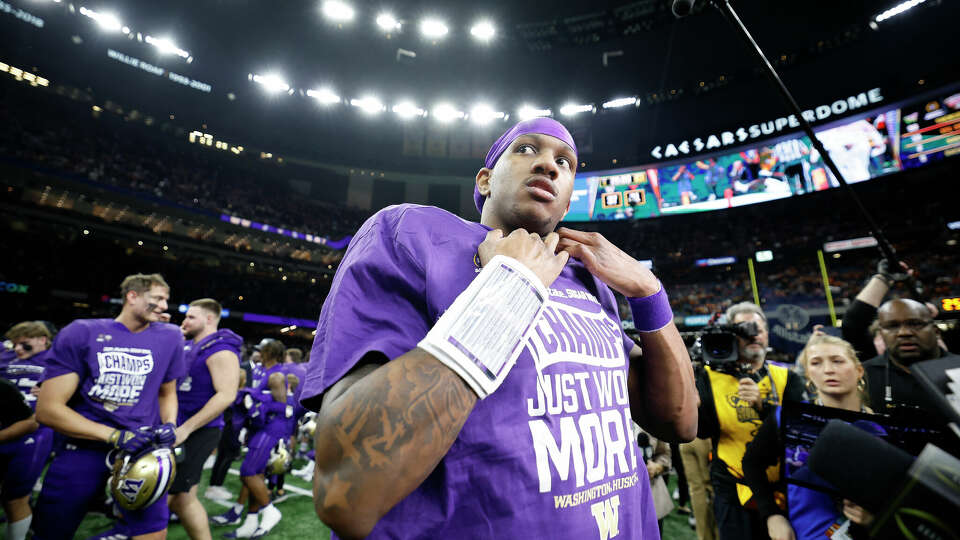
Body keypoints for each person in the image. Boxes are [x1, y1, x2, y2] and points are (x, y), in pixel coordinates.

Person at [301, 117, 698, 539]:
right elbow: (347, 490)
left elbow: (679, 422)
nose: (549, 165)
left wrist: (650, 294)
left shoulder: (586, 276)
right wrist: (510, 290)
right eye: (527, 149)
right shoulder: (411, 233)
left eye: (565, 162)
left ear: (566, 206)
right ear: (485, 179)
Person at [33, 273, 186, 540]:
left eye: (166, 300)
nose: (164, 306)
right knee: (50, 532)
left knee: (151, 534)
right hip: (83, 449)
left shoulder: (171, 337)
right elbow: (47, 409)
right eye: (158, 298)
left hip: (141, 452)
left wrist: (170, 424)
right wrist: (115, 436)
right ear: (132, 296)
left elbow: (167, 392)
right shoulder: (82, 332)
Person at [742, 335, 874, 540]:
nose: (828, 370)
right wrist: (772, 515)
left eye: (837, 361)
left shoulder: (882, 428)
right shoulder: (788, 418)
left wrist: (877, 514)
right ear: (809, 375)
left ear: (859, 371)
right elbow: (751, 463)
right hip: (806, 534)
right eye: (816, 363)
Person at [695, 302, 805, 540]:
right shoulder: (709, 378)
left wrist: (763, 407)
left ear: (767, 334)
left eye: (759, 328)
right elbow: (702, 432)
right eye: (743, 329)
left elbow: (798, 434)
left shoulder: (788, 378)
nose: (753, 334)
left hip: (785, 491)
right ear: (731, 337)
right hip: (733, 492)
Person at [169, 298, 242, 540]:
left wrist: (187, 429)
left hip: (198, 430)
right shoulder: (190, 345)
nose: (185, 321)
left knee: (174, 497)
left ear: (209, 319)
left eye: (191, 317)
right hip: (179, 427)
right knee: (179, 499)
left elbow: (226, 395)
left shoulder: (221, 349)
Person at [221, 338, 287, 538]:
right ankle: (250, 522)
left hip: (271, 429)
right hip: (258, 426)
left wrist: (258, 401)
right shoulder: (259, 369)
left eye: (262, 350)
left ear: (270, 353)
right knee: (255, 475)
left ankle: (269, 511)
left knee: (247, 472)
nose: (258, 352)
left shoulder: (276, 375)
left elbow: (285, 408)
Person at [0, 321, 54, 540]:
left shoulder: (57, 359)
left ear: (43, 340)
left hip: (32, 435)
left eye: (25, 345)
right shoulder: (5, 355)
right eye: (15, 346)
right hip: (5, 422)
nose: (19, 350)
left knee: (15, 498)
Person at [862, 298, 957, 416]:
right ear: (881, 334)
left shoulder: (957, 368)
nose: (904, 332)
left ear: (936, 331)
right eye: (892, 326)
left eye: (915, 324)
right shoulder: (863, 376)